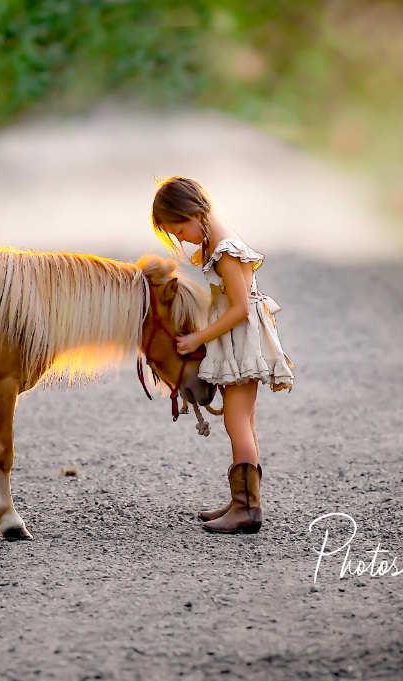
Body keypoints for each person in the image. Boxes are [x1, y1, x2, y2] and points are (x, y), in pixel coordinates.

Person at [151, 176, 294, 534]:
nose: (182, 240)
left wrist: (197, 336)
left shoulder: (226, 250)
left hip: (240, 339)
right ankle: (242, 501)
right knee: (243, 420)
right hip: (236, 339)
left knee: (236, 422)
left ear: (195, 213)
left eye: (179, 231)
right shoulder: (219, 242)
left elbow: (240, 309)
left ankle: (247, 509)